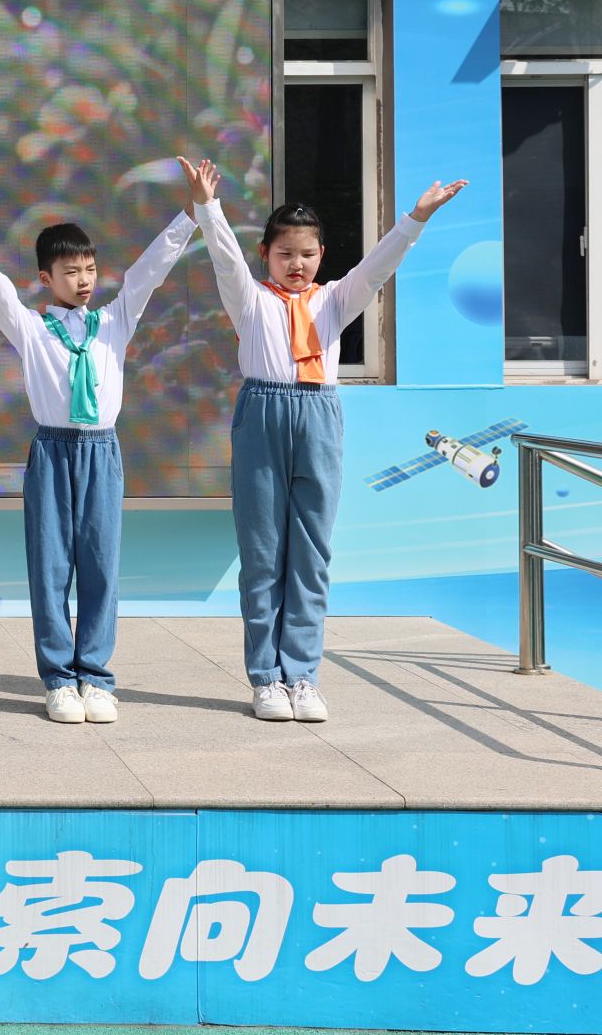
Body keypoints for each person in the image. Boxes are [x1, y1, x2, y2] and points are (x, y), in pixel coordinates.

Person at [184, 157, 469, 723]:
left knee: (311, 556)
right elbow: (223, 257)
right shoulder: (249, 298)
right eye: (285, 253)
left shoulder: (335, 299)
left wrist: (416, 218)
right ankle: (266, 679)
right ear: (265, 254)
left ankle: (303, 676)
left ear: (321, 256)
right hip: (263, 413)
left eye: (307, 254)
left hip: (318, 416)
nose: (297, 264)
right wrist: (207, 206)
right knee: (263, 555)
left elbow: (378, 268)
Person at [0, 184, 197, 724]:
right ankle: (59, 679)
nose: (83, 280)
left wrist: (191, 213)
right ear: (45, 279)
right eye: (70, 272)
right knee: (51, 567)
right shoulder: (32, 329)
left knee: (101, 566)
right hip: (53, 452)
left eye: (89, 269)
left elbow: (149, 271)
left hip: (101, 452)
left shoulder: (114, 321)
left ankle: (96, 678)